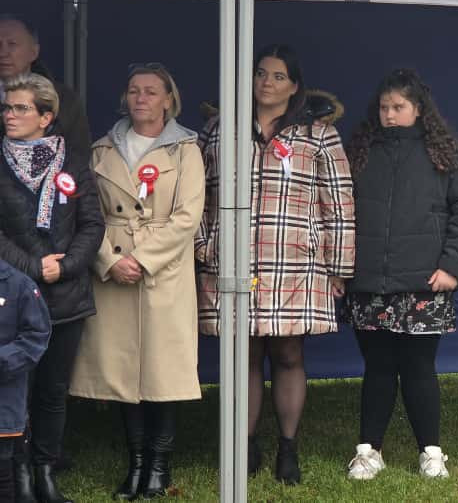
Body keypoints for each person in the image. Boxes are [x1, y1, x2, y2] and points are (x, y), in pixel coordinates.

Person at [195, 44, 355, 485]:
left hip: (294, 262)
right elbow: (196, 195)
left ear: (295, 86)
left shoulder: (318, 135)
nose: (267, 82)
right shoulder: (219, 129)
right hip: (234, 259)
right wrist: (205, 245)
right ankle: (244, 445)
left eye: (278, 76)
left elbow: (338, 203)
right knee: (244, 353)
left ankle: (288, 446)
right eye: (261, 73)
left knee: (288, 353)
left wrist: (338, 265)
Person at [342, 69, 458, 481]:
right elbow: (339, 211)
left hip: (425, 284)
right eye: (383, 107)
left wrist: (453, 267)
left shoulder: (447, 152)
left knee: (419, 368)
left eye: (398, 107)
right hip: (370, 282)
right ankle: (369, 451)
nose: (389, 114)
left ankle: (431, 453)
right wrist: (343, 268)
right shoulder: (360, 151)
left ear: (419, 109)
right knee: (378, 367)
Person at [68, 63, 205, 499]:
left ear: (169, 99)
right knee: (122, 371)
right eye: (133, 90)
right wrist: (109, 261)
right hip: (113, 269)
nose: (140, 98)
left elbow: (188, 217)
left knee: (164, 370)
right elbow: (86, 214)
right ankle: (137, 463)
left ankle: (159, 465)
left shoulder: (186, 150)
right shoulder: (102, 150)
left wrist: (143, 260)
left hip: (163, 271)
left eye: (150, 91)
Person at [0, 73, 104, 503]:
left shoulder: (73, 162)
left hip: (66, 295)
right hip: (12, 297)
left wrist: (67, 266)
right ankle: (18, 475)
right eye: (7, 107)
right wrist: (34, 269)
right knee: (16, 389)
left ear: (46, 117)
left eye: (20, 108)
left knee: (52, 391)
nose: (9, 115)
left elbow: (92, 224)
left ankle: (46, 472)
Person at [0, 14, 91, 162]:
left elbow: (79, 157)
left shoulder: (64, 99)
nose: (3, 53)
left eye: (12, 44)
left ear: (34, 52)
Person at [0, 259, 51, 503]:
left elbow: (36, 336)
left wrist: (3, 360)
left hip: (4, 405)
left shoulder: (19, 286)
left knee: (2, 476)